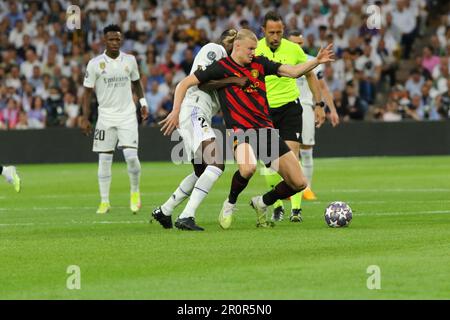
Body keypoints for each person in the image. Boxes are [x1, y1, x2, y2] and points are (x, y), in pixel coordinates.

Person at [160, 29, 334, 229]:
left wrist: (316, 61)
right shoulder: (221, 67)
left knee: (299, 182)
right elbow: (185, 83)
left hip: (265, 130)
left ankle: (262, 202)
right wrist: (175, 111)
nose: (253, 52)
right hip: (240, 131)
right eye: (250, 48)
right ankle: (230, 203)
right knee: (248, 167)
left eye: (255, 49)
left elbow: (292, 71)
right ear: (237, 46)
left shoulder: (259, 63)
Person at [152, 29, 246, 231]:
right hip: (195, 110)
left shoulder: (229, 66)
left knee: (201, 170)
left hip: (200, 114)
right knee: (217, 163)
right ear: (230, 43)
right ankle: (186, 216)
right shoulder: (215, 50)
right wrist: (233, 81)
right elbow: (202, 82)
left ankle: (165, 210)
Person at [255, 11, 325, 222]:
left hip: (290, 108)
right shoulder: (255, 49)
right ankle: (275, 204)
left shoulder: (294, 49)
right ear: (263, 31)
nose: (276, 36)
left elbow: (310, 74)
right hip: (264, 110)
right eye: (271, 32)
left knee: (292, 159)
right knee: (271, 164)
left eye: (279, 32)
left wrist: (319, 104)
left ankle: (296, 210)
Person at [80, 24, 149, 214]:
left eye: (118, 39)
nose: (115, 42)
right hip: (105, 117)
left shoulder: (130, 60)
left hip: (127, 115)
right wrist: (85, 117)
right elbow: (86, 93)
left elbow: (137, 83)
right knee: (104, 158)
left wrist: (143, 103)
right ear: (104, 40)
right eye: (111, 39)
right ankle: (104, 201)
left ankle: (135, 192)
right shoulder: (94, 64)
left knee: (131, 158)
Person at [288, 30, 340, 201]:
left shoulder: (312, 61)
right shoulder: (280, 60)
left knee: (307, 148)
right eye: (294, 43)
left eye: (300, 44)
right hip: (284, 107)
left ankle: (307, 188)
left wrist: (331, 110)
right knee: (286, 151)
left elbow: (322, 87)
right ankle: (288, 186)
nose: (298, 47)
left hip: (306, 106)